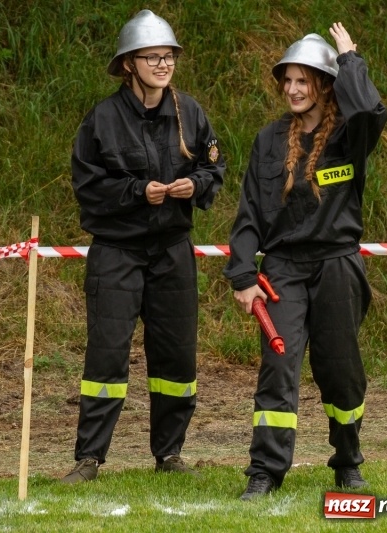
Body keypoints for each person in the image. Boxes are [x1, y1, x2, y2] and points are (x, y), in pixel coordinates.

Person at [223, 23, 387, 500]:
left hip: (337, 265)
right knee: (278, 370)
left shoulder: (350, 135)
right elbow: (249, 214)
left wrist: (349, 60)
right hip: (282, 271)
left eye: (304, 80)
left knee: (341, 371)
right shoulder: (269, 140)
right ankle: (265, 471)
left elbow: (371, 111)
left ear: (325, 84)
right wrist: (243, 274)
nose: (293, 90)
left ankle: (348, 462)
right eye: (288, 80)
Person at [62, 9, 225, 484]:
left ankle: (169, 454)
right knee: (107, 355)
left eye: (168, 56)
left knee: (176, 356)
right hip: (117, 253)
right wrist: (137, 192)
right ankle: (89, 459)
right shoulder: (102, 119)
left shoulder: (190, 112)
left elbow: (215, 168)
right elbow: (87, 186)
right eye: (151, 57)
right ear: (128, 64)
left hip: (173, 251)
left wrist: (196, 185)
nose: (163, 64)